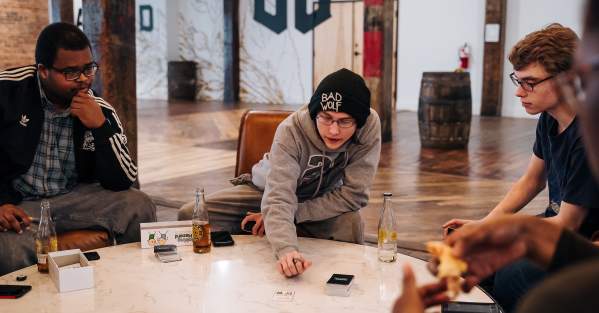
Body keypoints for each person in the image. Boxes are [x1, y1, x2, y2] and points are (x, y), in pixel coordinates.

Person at [394, 3, 599, 312]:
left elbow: (568, 224)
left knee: (510, 276)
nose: (519, 92)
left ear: (568, 78)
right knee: (478, 268)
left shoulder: (586, 134)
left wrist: (497, 234)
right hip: (553, 225)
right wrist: (484, 224)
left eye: (530, 82)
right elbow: (531, 181)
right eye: (518, 81)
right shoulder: (549, 119)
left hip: (576, 241)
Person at [178, 68, 381, 277]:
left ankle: (350, 282)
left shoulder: (369, 125)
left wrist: (292, 213)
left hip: (319, 199)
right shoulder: (291, 130)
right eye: (326, 118)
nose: (333, 130)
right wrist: (287, 250)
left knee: (351, 223)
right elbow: (278, 198)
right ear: (314, 113)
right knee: (189, 216)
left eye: (345, 121)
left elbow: (354, 195)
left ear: (359, 121)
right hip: (264, 191)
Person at [0, 23, 156, 275]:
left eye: (88, 68)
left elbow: (125, 180)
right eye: (71, 72)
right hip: (20, 204)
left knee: (139, 205)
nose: (83, 79)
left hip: (73, 200)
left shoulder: (100, 109)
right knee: (7, 250)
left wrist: (100, 127)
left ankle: (128, 283)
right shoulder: (8, 92)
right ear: (43, 71)